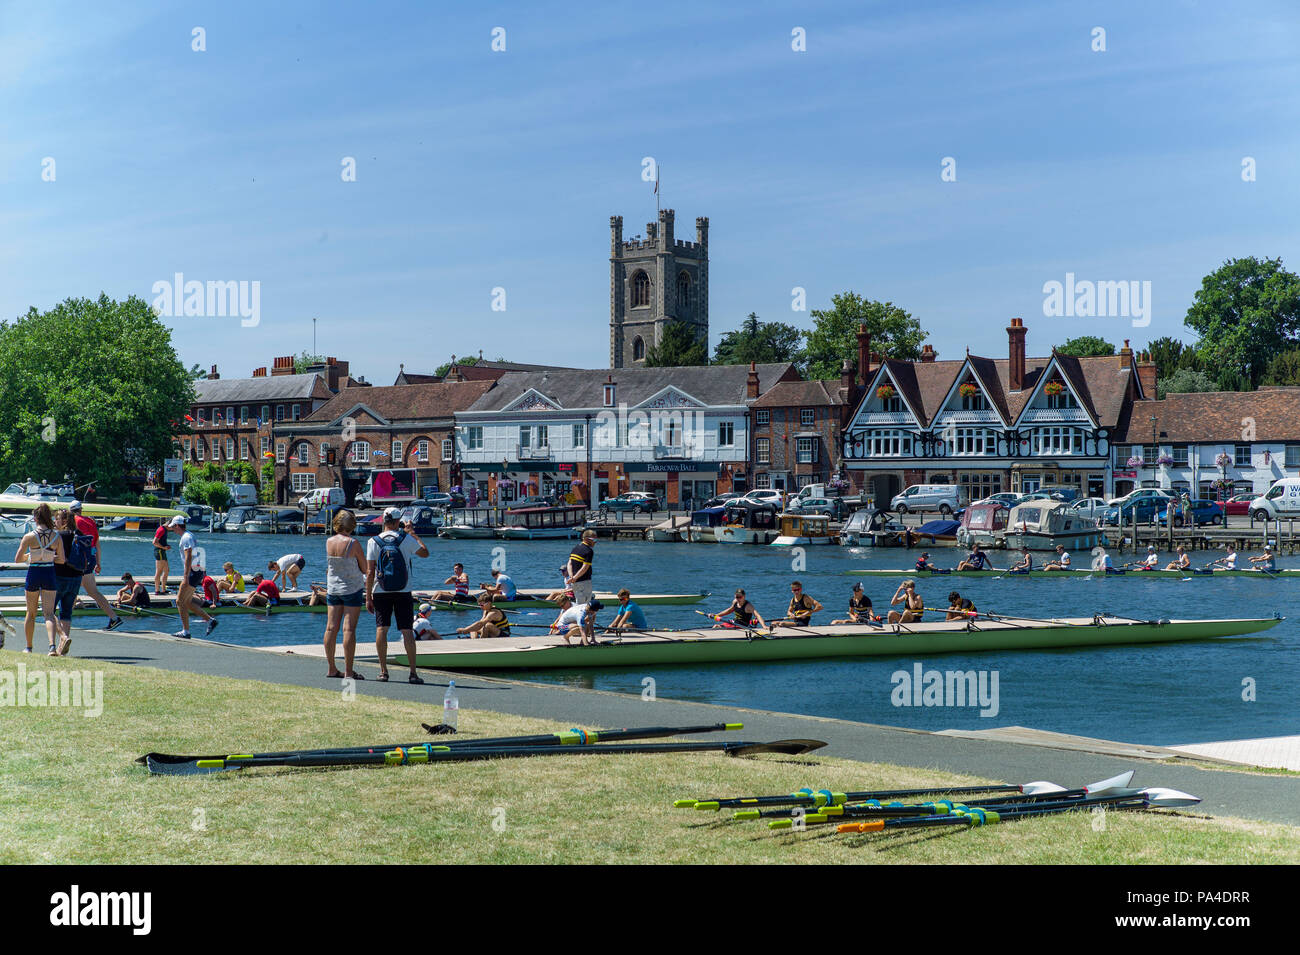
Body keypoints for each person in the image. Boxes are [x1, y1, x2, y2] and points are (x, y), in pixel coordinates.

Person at [366, 507, 429, 683]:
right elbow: (425, 553)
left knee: (381, 629)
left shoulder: (373, 541)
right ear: (397, 522)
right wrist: (413, 534)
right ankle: (413, 673)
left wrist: (368, 597)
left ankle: (383, 672)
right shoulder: (406, 539)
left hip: (380, 591)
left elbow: (370, 572)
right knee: (407, 630)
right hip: (403, 591)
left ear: (384, 521)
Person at [324, 509, 368, 679]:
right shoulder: (353, 543)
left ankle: (331, 668)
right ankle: (349, 671)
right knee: (348, 629)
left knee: (331, 627)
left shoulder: (329, 541)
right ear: (352, 525)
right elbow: (364, 568)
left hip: (333, 588)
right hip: (352, 588)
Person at [14, 503, 63, 654]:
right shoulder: (56, 536)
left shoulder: (29, 536)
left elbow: (18, 559)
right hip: (49, 573)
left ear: (35, 518)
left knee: (31, 612)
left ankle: (29, 647)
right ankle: (52, 646)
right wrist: (49, 556)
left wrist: (31, 556)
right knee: (49, 613)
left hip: (34, 573)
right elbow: (61, 560)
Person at [69, 501, 123, 631]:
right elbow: (97, 544)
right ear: (81, 509)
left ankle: (61, 620)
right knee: (88, 590)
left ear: (71, 511)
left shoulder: (74, 522)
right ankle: (114, 617)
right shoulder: (91, 521)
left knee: (72, 589)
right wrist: (98, 562)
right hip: (91, 559)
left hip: (79, 560)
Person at [176, 523, 216, 639]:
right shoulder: (189, 535)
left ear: (178, 526)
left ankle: (186, 631)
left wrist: (185, 575)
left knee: (180, 601)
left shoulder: (186, 537)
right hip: (196, 571)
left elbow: (189, 556)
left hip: (192, 572)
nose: (172, 529)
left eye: (173, 526)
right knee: (187, 602)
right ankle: (210, 620)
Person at [52, 509, 83, 655]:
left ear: (64, 521)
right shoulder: (80, 535)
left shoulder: (59, 536)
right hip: (76, 577)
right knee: (66, 612)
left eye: (57, 519)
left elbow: (53, 555)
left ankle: (62, 638)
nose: (54, 522)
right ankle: (62, 649)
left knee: (49, 611)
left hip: (59, 576)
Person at [565, 530, 597, 644]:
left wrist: (572, 577)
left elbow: (569, 563)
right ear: (587, 539)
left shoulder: (576, 548)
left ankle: (587, 637)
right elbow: (585, 567)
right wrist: (575, 577)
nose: (595, 542)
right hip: (584, 583)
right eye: (594, 540)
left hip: (576, 584)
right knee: (588, 612)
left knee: (582, 611)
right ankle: (585, 638)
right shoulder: (589, 551)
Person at [152, 518, 173, 595]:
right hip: (159, 551)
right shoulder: (161, 530)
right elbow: (154, 542)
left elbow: (161, 541)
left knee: (166, 570)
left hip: (162, 551)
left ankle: (163, 589)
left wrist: (166, 546)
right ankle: (157, 591)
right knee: (159, 572)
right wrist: (164, 547)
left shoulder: (165, 529)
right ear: (168, 524)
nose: (173, 529)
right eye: (172, 527)